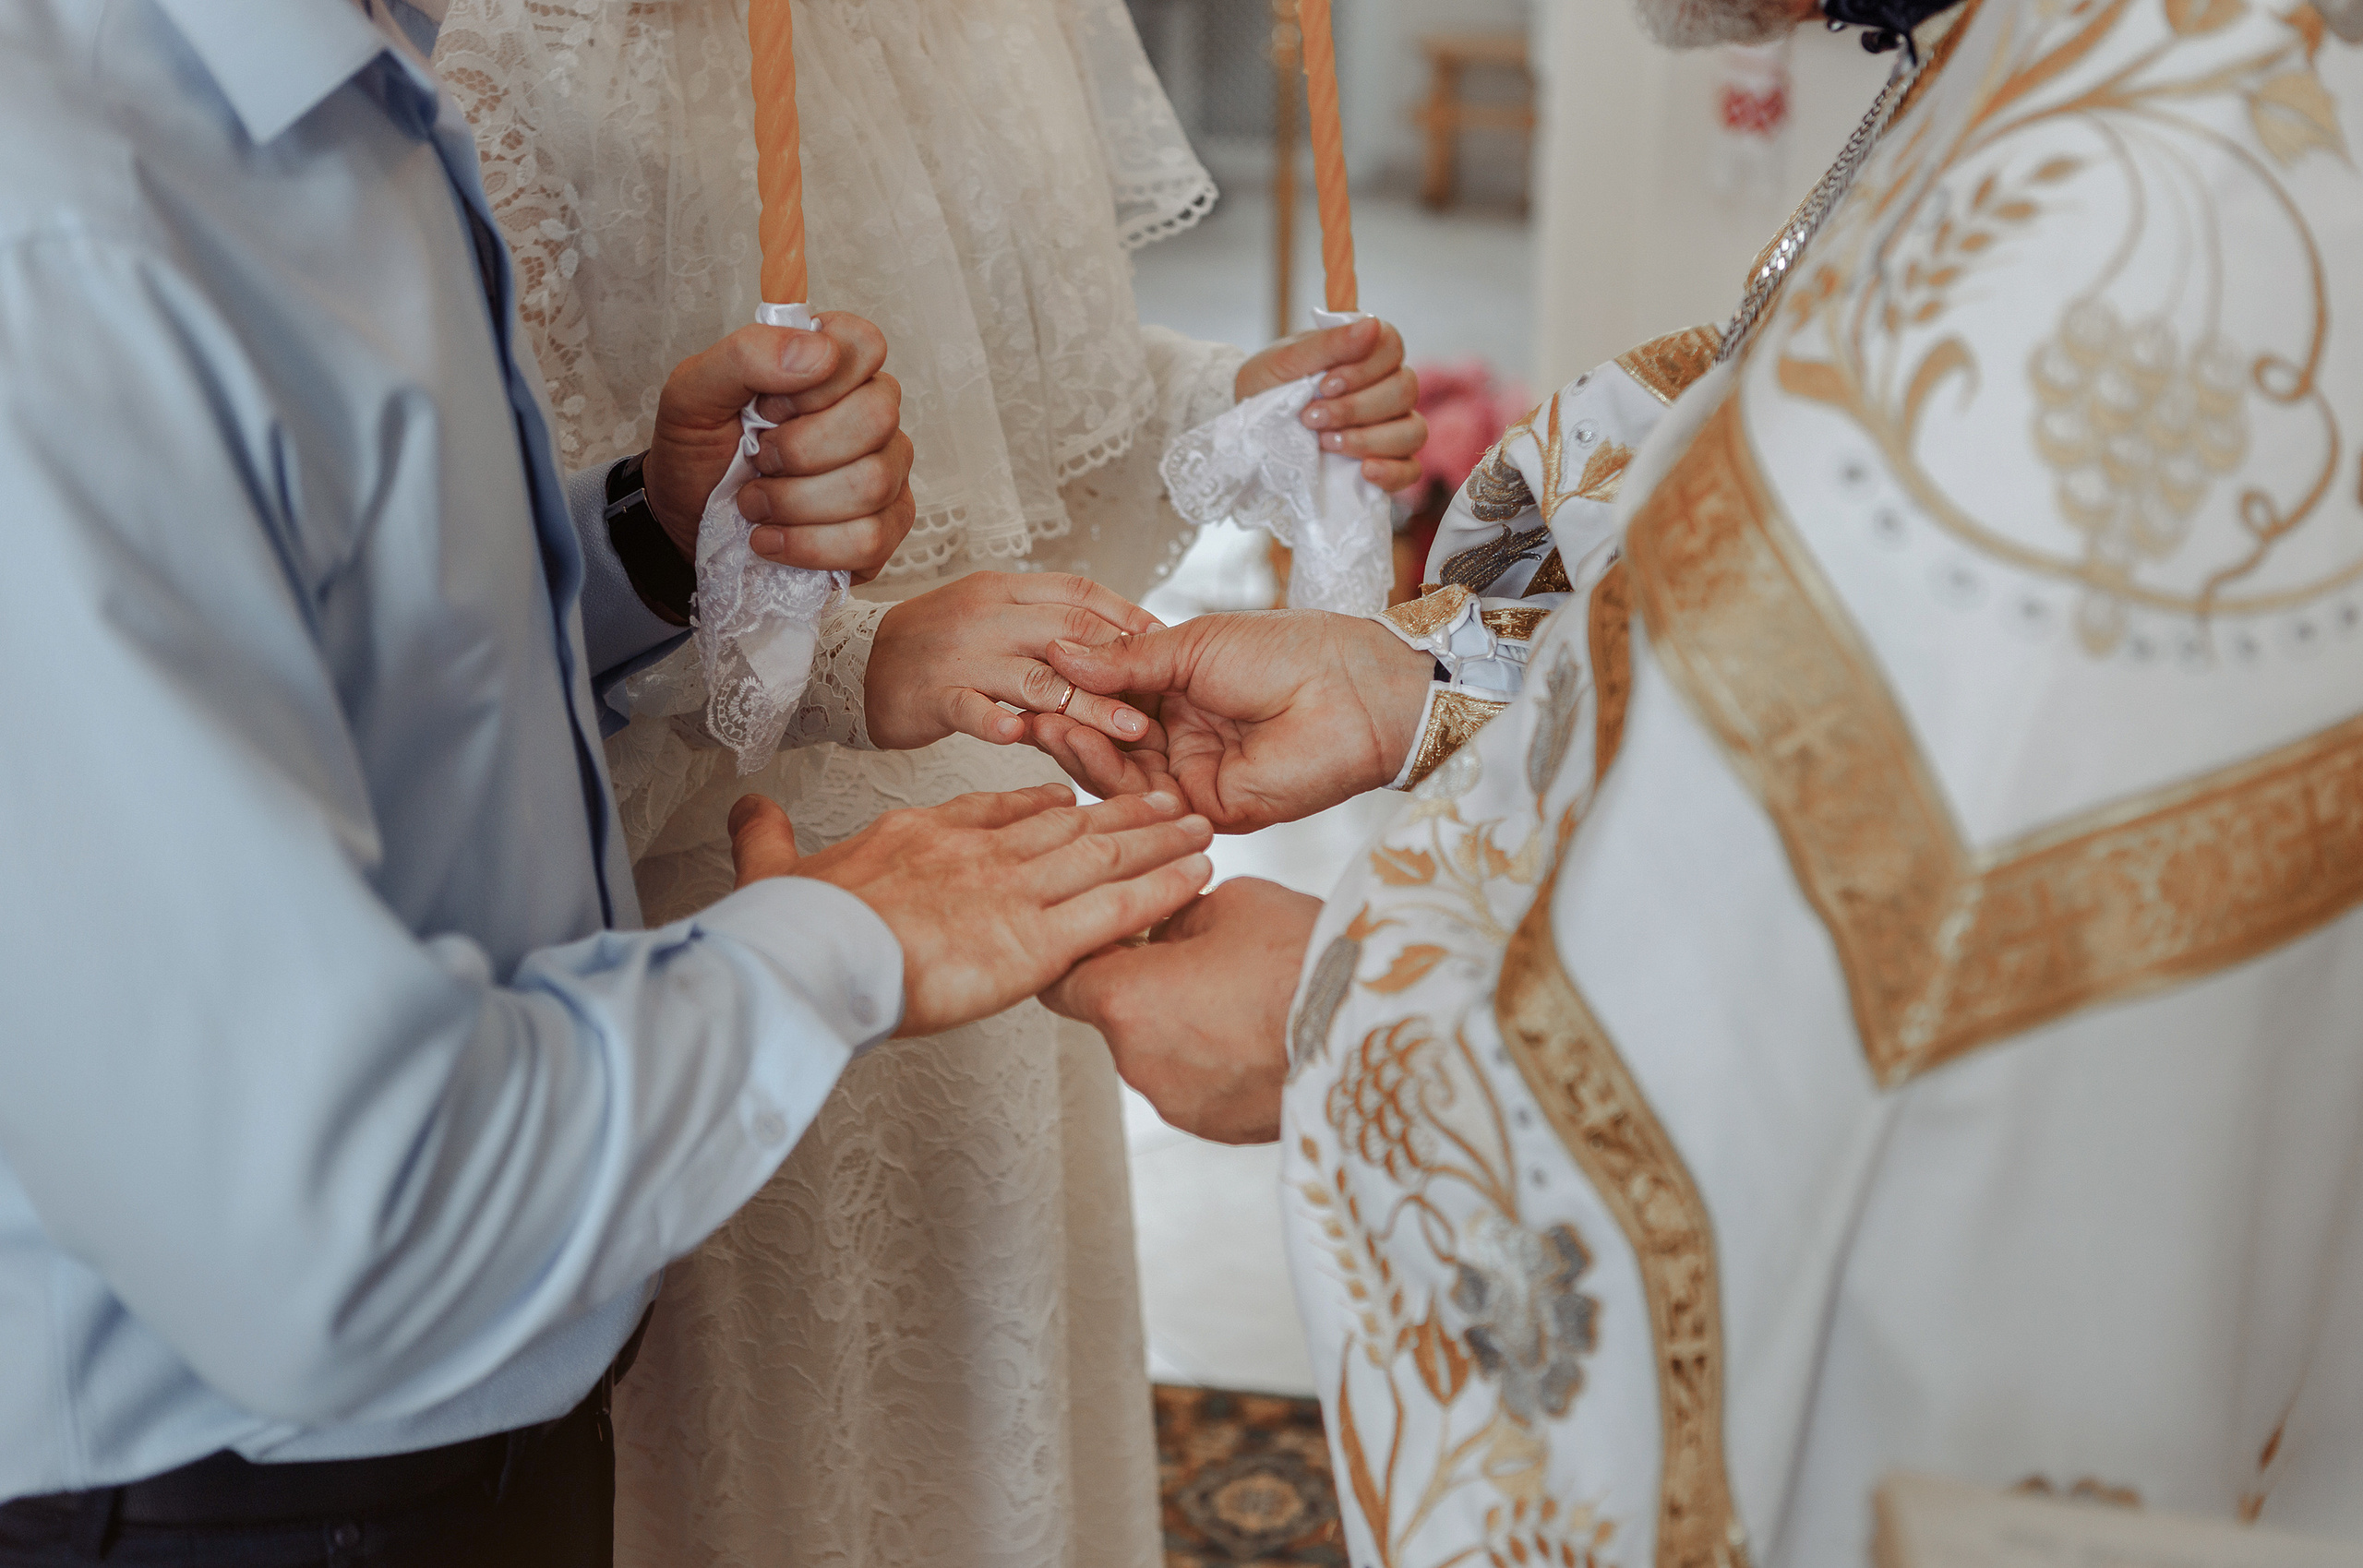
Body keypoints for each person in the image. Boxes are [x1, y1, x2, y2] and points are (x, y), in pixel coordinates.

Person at [1039, 0, 2363, 1557]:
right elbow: (1775, 652)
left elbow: (1855, 1075)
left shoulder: (2137, 227)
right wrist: (1422, 678)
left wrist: (1329, 1024)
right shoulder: (2050, 73)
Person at [0, 3, 1214, 1564]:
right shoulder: (71, 244)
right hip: (230, 1486)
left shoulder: (350, 97)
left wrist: (648, 536)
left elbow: (336, 648)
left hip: (491, 1406)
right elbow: (330, 1234)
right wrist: (849, 945)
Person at [431, 2, 1426, 1562]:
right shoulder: (493, 45)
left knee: (988, 1437)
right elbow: (455, 618)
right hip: (740, 898)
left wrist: (1240, 406)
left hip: (1024, 857)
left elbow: (1027, 401)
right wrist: (835, 654)